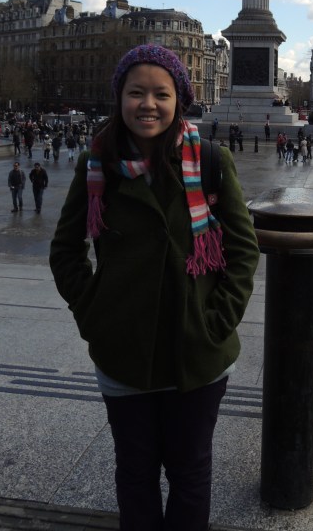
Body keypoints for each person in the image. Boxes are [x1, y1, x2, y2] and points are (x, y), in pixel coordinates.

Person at [49, 44, 260, 531]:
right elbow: (65, 250)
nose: (148, 104)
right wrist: (94, 313)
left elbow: (243, 249)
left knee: (191, 473)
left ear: (178, 100)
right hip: (125, 351)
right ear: (119, 98)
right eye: (136, 92)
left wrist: (218, 320)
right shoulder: (94, 164)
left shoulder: (210, 160)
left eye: (160, 94)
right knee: (136, 472)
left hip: (198, 351)